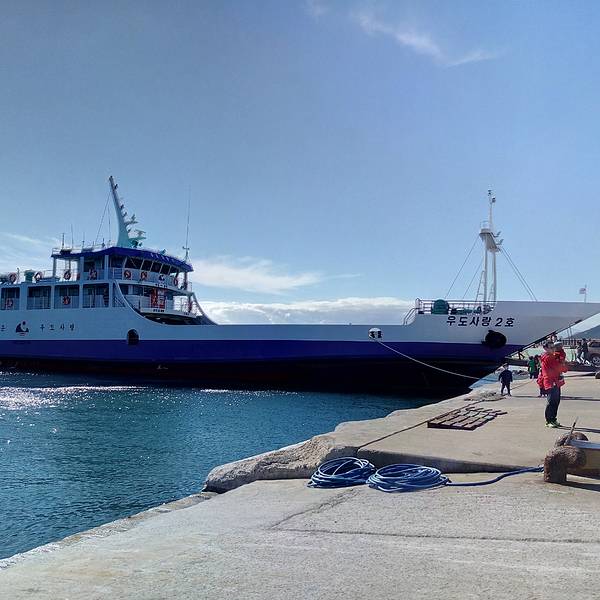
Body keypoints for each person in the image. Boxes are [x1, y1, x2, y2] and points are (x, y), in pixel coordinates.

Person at [539, 341, 566, 427]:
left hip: (555, 381)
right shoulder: (548, 357)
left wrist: (561, 354)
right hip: (551, 382)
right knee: (551, 401)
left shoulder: (552, 356)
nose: (553, 349)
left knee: (556, 401)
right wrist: (563, 363)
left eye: (554, 347)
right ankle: (549, 420)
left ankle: (553, 419)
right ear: (545, 348)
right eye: (551, 347)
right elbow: (560, 368)